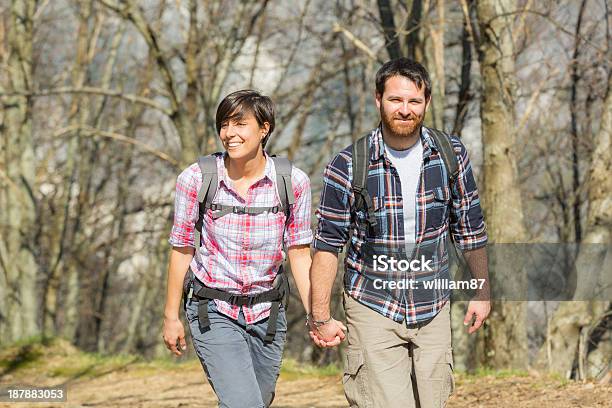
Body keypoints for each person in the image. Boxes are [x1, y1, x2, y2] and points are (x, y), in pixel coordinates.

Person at [308, 58, 491, 408]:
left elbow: (470, 230)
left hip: (432, 306)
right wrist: (321, 316)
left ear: (427, 103)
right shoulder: (349, 165)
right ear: (378, 100)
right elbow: (328, 246)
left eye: (414, 101)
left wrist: (482, 292)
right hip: (373, 305)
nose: (405, 110)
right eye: (395, 100)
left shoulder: (451, 156)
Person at [162, 89, 313, 408]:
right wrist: (170, 316)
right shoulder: (197, 178)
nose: (229, 133)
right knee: (244, 403)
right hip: (212, 308)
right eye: (224, 124)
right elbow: (181, 249)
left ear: (264, 128)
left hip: (268, 313)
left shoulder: (292, 182)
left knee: (259, 398)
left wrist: (319, 314)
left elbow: (299, 254)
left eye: (239, 124)